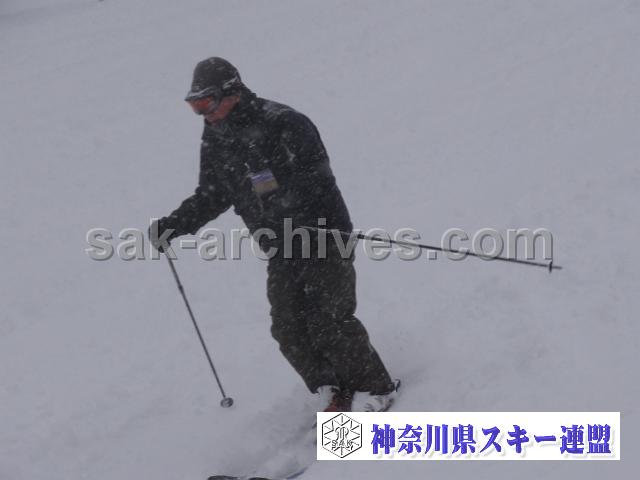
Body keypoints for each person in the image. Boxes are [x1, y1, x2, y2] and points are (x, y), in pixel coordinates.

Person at [150, 57, 397, 412]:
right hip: (280, 246)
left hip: (321, 235)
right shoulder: (216, 135)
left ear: (232, 92)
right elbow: (213, 193)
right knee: (287, 327)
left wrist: (289, 210)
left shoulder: (284, 122)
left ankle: (376, 389)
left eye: (207, 103)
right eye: (195, 106)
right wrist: (174, 224)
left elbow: (319, 178)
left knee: (327, 320)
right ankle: (332, 386)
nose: (203, 113)